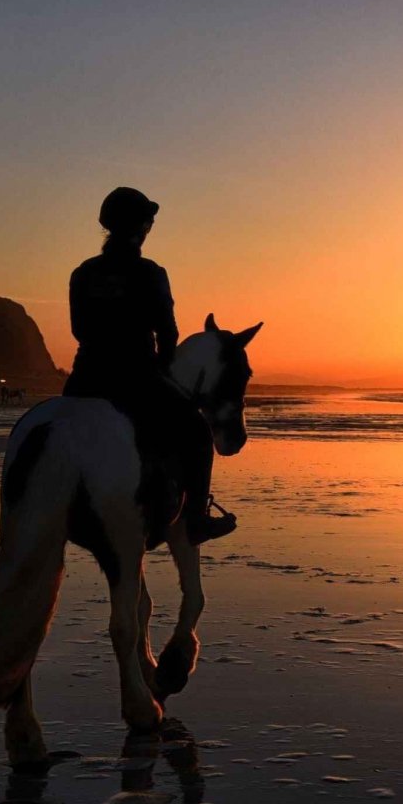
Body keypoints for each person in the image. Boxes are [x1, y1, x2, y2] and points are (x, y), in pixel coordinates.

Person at [62, 187, 236, 544]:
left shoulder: (83, 273)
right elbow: (168, 333)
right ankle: (196, 519)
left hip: (83, 381)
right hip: (137, 379)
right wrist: (160, 367)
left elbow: (79, 330)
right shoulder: (150, 273)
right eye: (148, 220)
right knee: (198, 434)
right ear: (142, 227)